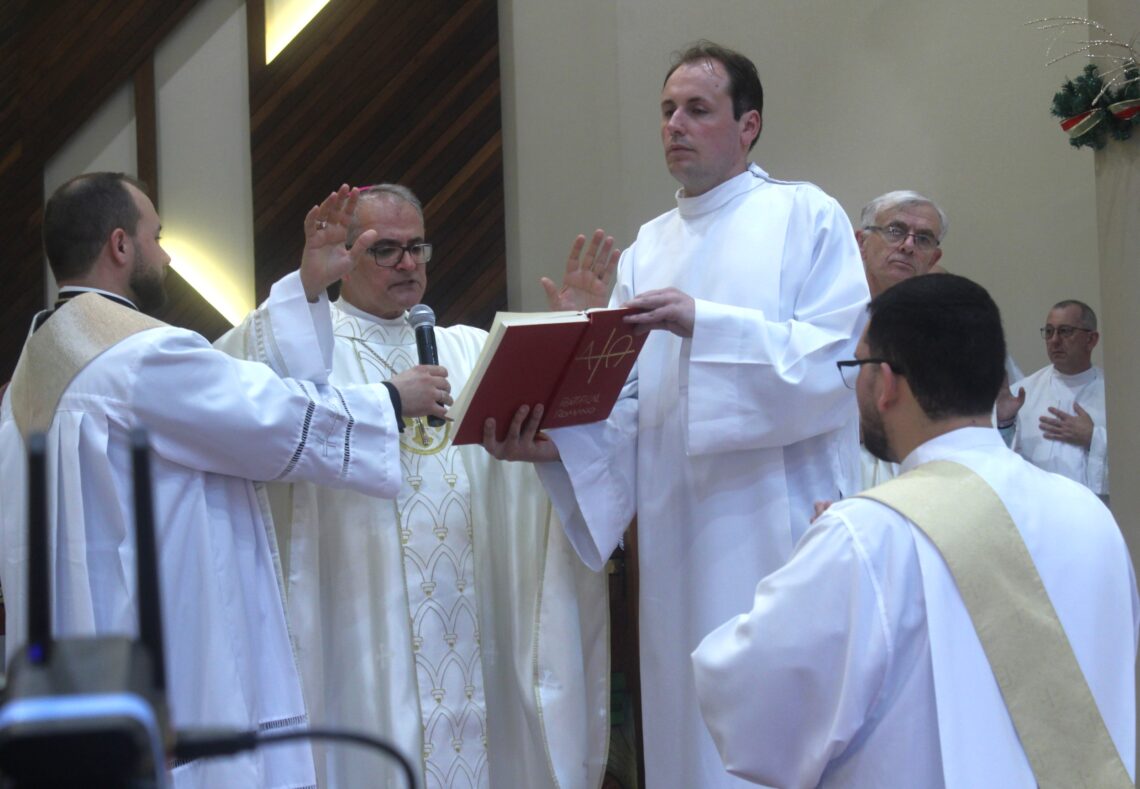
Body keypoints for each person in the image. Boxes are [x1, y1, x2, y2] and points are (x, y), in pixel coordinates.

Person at [485, 41, 868, 788]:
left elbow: (835, 363)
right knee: (687, 737)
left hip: (776, 530)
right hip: (675, 542)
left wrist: (709, 324)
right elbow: (629, 413)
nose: (675, 125)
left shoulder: (804, 214)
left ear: (748, 124)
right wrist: (557, 435)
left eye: (698, 109)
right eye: (666, 110)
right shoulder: (644, 251)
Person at [0, 173, 448, 787]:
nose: (163, 254)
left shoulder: (34, 365)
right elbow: (263, 416)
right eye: (156, 237)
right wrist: (387, 400)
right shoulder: (137, 355)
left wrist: (308, 287)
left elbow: (226, 393)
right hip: (174, 651)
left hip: (80, 662)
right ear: (120, 246)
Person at [217, 184, 610, 789]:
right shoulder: (310, 344)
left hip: (477, 625)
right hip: (361, 629)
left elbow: (558, 437)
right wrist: (305, 288)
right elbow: (242, 400)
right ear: (345, 257)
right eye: (386, 250)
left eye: (417, 248)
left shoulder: (469, 349)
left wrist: (573, 334)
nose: (408, 263)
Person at [692, 274, 1137, 787]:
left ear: (885, 382)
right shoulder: (1091, 516)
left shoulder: (868, 535)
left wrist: (824, 560)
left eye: (856, 366)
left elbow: (754, 718)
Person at [997, 299, 1107, 500]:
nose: (1054, 340)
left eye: (1065, 331)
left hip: (1095, 512)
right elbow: (1000, 463)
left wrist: (1093, 438)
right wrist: (1004, 423)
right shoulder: (1022, 393)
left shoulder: (1115, 397)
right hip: (1038, 509)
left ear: (1091, 340)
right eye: (1049, 332)